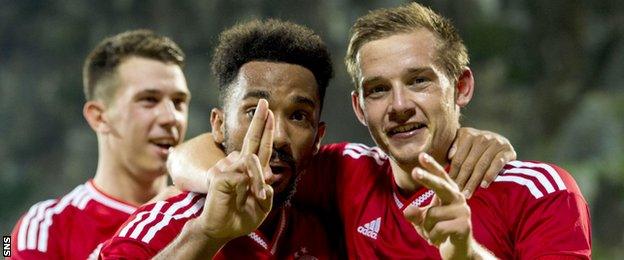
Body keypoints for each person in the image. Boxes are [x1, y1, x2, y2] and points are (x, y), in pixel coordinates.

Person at [168, 3, 591, 259]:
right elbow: (190, 154)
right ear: (359, 107)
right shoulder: (344, 173)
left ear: (461, 87)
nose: (400, 106)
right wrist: (222, 178)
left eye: (420, 81)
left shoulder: (541, 192)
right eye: (378, 90)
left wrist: (466, 256)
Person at [100, 19, 513, 259]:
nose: (277, 134)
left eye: (297, 116)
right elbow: (182, 160)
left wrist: (466, 139)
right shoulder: (169, 223)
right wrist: (207, 232)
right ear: (218, 125)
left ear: (317, 139)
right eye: (254, 112)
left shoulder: (326, 213)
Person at [10, 30, 190, 260]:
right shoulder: (44, 228)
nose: (171, 117)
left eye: (178, 102)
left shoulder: (211, 216)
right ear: (99, 117)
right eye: (149, 100)